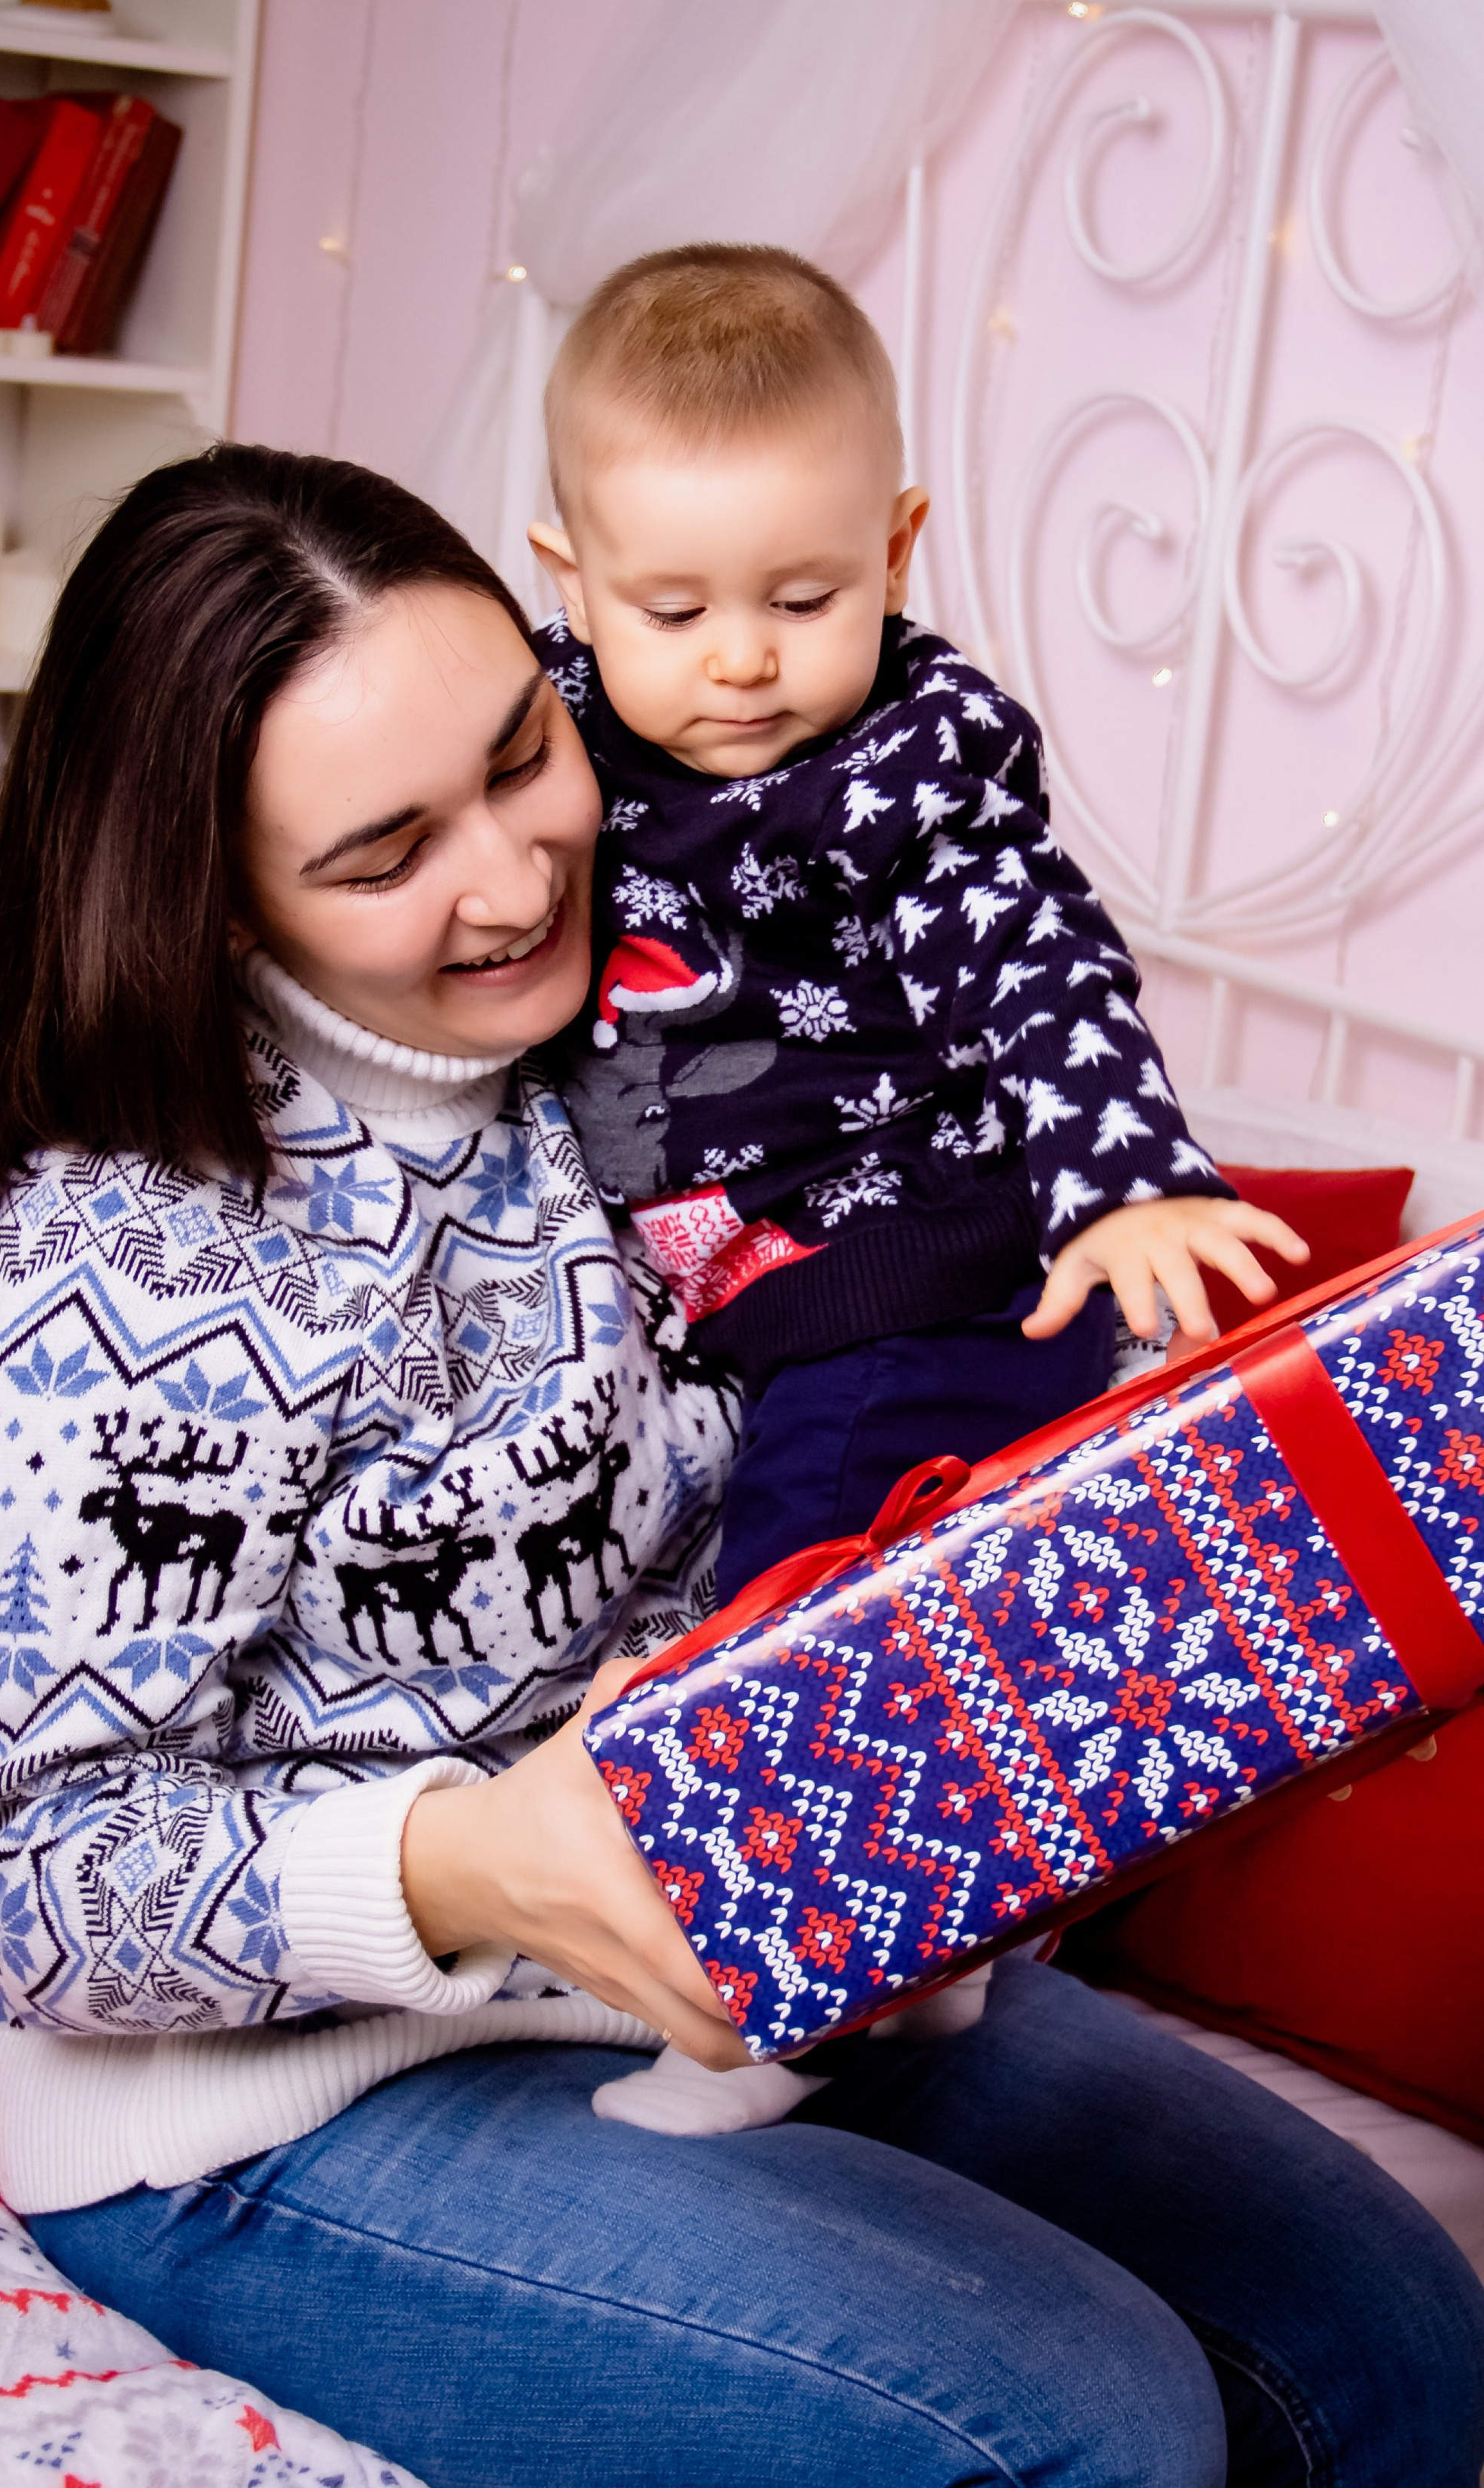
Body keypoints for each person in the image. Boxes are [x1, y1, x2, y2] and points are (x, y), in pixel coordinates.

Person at [0, 444, 1484, 2488]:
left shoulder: (693, 1031)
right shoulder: (129, 1258)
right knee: (1077, 2448)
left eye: (525, 756)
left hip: (729, 1959)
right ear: (214, 900)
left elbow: (889, 1374)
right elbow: (39, 1888)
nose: (517, 878)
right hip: (273, 2102)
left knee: (1390, 2351)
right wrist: (474, 1860)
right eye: (387, 852)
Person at [530, 243, 1307, 1616]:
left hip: (916, 1287)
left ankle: (763, 1739)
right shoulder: (546, 729)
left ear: (893, 554)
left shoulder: (904, 778)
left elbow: (1037, 963)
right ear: (575, 586)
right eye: (674, 610)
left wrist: (1127, 1182)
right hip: (711, 1294)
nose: (741, 658)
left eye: (802, 599)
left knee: (803, 1599)